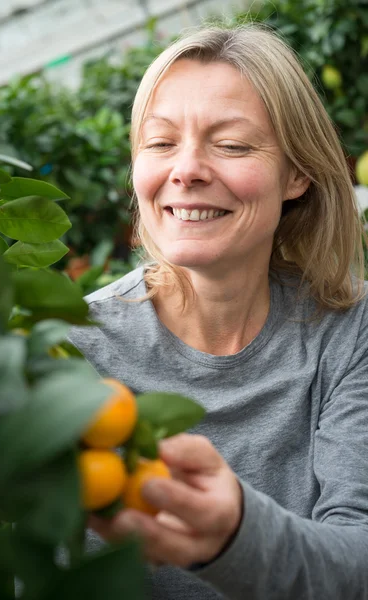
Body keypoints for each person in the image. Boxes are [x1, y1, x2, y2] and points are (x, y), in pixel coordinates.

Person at [68, 23, 368, 600]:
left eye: (231, 144)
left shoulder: (350, 332)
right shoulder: (73, 349)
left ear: (297, 173)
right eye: (160, 143)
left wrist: (233, 534)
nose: (187, 170)